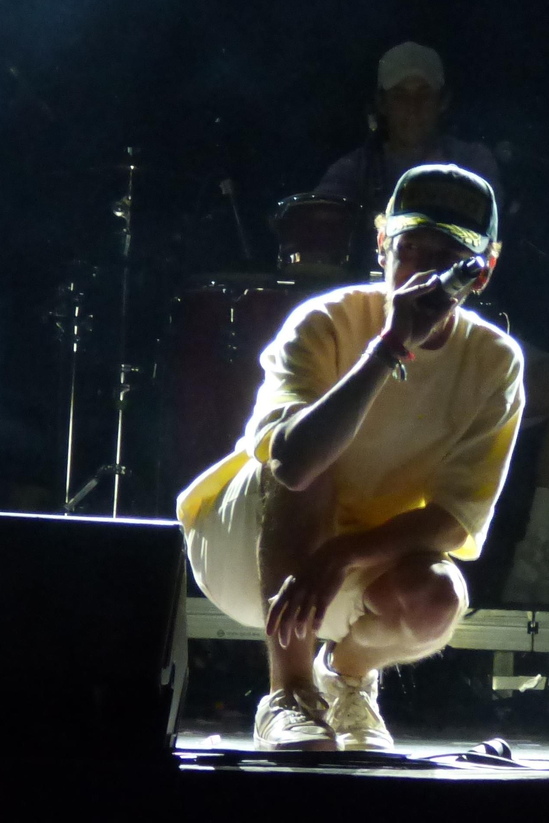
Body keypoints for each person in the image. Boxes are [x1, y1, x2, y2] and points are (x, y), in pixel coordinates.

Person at [178, 165, 526, 751]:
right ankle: (287, 694)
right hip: (243, 549)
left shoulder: (495, 361)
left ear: (481, 272)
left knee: (440, 598)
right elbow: (292, 462)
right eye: (409, 247)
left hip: (353, 565)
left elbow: (453, 517)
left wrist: (343, 554)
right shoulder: (325, 322)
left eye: (445, 256)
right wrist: (390, 347)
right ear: (382, 243)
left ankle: (346, 678)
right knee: (311, 471)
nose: (419, 269)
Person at [318, 41, 549, 604]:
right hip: (367, 341)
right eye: (400, 95)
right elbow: (313, 248)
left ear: (443, 102)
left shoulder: (475, 165)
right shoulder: (348, 173)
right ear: (379, 104)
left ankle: (534, 557)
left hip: (457, 339)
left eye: (424, 94)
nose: (412, 106)